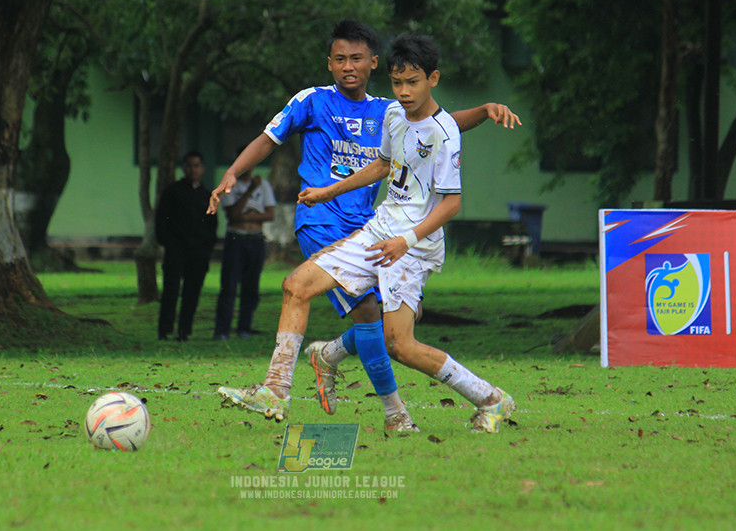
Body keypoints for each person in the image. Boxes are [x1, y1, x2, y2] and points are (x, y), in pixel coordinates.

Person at [217, 33, 514, 435]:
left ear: (433, 79)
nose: (405, 92)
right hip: (376, 230)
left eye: (413, 83)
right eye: (398, 83)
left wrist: (404, 242)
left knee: (400, 345)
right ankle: (275, 390)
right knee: (296, 286)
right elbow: (381, 165)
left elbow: (451, 205)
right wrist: (328, 191)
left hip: (412, 246)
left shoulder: (444, 135)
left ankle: (491, 399)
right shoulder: (392, 115)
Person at [155, 151, 217, 341]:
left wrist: (207, 247)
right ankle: (164, 330)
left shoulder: (207, 195)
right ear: (183, 168)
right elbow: (161, 221)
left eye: (196, 166)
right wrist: (167, 243)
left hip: (198, 252)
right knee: (171, 291)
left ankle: (184, 331)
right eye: (189, 165)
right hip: (175, 250)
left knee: (192, 293)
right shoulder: (172, 192)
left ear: (202, 168)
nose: (193, 170)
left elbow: (212, 224)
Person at [212, 160, 276, 341]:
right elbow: (233, 215)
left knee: (251, 287)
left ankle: (244, 328)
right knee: (229, 286)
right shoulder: (231, 186)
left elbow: (270, 214)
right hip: (236, 239)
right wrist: (249, 192)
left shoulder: (263, 185)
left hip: (256, 239)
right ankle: (222, 330)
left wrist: (246, 217)